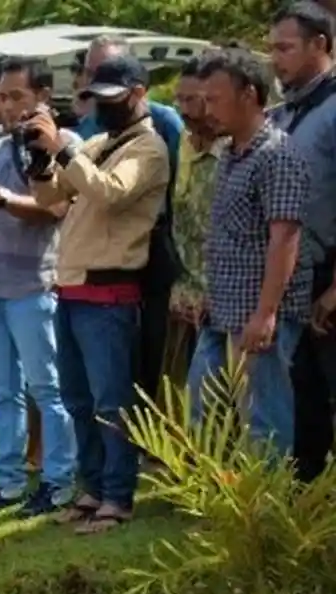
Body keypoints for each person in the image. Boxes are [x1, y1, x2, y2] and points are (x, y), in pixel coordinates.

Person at [27, 55, 170, 533]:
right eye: (97, 99)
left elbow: (109, 192)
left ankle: (118, 496)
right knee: (78, 400)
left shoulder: (147, 149)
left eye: (112, 100)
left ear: (138, 94)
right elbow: (50, 198)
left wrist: (64, 151)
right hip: (72, 290)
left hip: (111, 292)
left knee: (112, 402)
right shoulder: (98, 142)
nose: (102, 108)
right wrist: (40, 157)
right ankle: (92, 488)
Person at [0, 57, 78, 517]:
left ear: (43, 97)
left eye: (16, 97)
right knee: (1, 392)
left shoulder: (64, 143)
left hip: (34, 282)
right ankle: (6, 481)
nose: (5, 105)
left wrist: (0, 198)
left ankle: (59, 481)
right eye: (1, 96)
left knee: (48, 388)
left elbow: (58, 208)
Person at [188, 48, 310, 455]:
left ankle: (266, 511)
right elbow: (230, 233)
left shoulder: (277, 155)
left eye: (216, 99)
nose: (207, 110)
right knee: (202, 406)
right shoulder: (230, 154)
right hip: (223, 309)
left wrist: (267, 313)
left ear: (250, 95)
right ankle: (219, 502)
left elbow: (285, 237)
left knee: (264, 419)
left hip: (261, 316)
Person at [77, 36, 186, 410]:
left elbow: (153, 189)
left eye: (104, 78)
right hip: (94, 255)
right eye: (90, 74)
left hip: (150, 252)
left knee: (150, 354)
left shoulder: (164, 124)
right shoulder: (91, 125)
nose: (97, 89)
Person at [271, 2, 336, 480]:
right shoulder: (286, 112)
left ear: (321, 44)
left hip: (329, 276)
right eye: (271, 48)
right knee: (303, 402)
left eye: (285, 48)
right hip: (295, 278)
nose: (275, 59)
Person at [166, 55, 227, 388]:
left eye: (193, 100)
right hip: (186, 296)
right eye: (180, 99)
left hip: (226, 297)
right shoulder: (184, 144)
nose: (184, 109)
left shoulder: (233, 148)